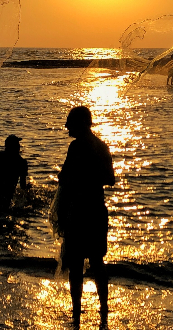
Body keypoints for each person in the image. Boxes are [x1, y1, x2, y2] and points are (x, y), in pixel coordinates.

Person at [54, 106, 115, 326]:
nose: (66, 126)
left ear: (80, 123)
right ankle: (103, 309)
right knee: (97, 262)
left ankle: (77, 311)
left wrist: (77, 180)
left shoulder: (77, 146)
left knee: (76, 264)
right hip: (97, 210)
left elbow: (64, 178)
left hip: (79, 212)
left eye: (70, 122)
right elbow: (110, 179)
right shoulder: (101, 145)